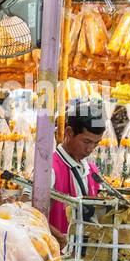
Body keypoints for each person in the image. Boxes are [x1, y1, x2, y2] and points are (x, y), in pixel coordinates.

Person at [48, 100, 105, 243]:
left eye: (95, 144)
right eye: (86, 142)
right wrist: (58, 237)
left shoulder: (92, 171)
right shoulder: (49, 169)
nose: (90, 149)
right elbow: (29, 214)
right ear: (69, 132)